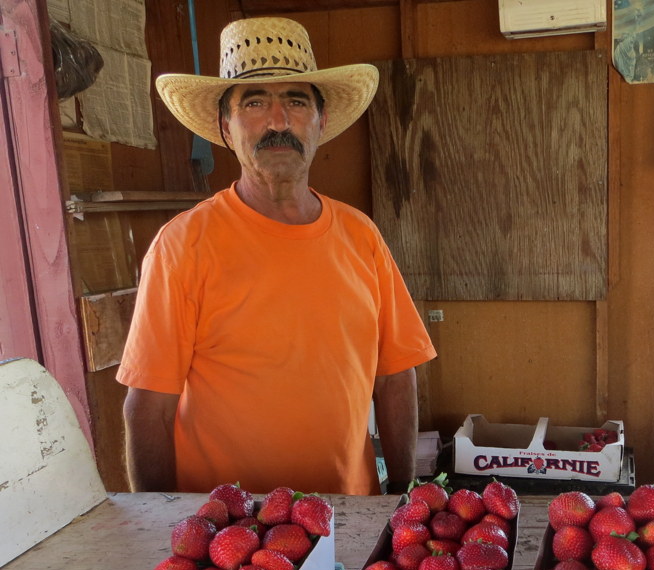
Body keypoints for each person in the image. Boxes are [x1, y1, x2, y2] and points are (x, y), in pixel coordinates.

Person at [116, 16, 436, 497]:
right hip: (228, 533)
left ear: (321, 121)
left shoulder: (361, 235)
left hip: (347, 517)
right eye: (255, 102)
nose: (278, 121)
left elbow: (396, 377)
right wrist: (161, 530)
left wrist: (404, 497)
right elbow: (149, 408)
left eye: (296, 100)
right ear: (226, 127)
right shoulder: (183, 245)